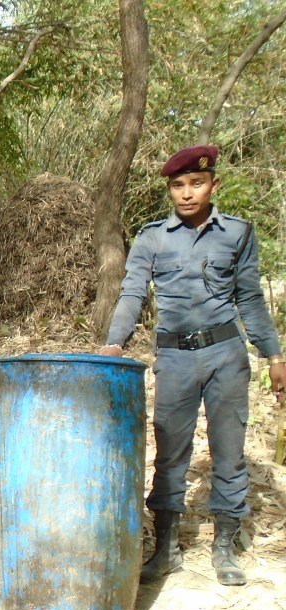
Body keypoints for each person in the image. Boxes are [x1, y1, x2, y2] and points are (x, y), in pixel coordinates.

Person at [100, 144, 286, 586]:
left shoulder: (237, 233)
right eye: (178, 186)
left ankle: (224, 548)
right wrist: (113, 346)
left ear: (213, 185)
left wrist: (274, 355)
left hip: (226, 355)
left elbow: (250, 299)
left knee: (228, 452)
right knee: (170, 454)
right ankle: (164, 549)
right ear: (170, 190)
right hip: (175, 357)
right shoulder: (151, 237)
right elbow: (131, 294)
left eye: (196, 184)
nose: (187, 193)